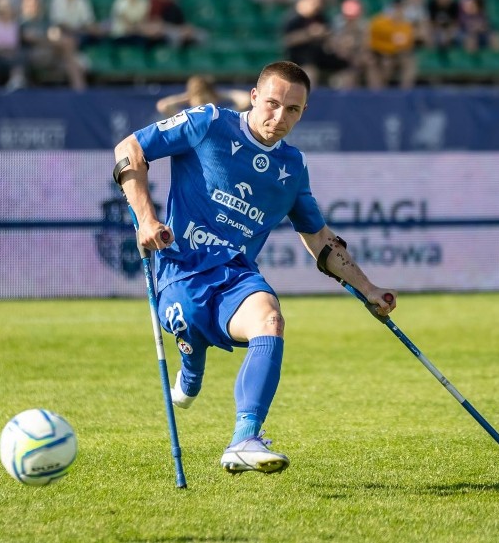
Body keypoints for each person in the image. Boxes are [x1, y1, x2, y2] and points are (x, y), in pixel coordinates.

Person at [112, 61, 397, 474]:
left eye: (293, 110)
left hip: (235, 276)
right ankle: (190, 372)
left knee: (270, 318)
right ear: (253, 97)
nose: (280, 118)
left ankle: (244, 438)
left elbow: (319, 238)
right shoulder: (208, 122)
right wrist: (146, 219)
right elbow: (129, 149)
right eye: (273, 104)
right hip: (180, 269)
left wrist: (368, 289)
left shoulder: (293, 167)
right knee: (190, 337)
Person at [155, 74, 251, 116]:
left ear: (215, 98)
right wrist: (189, 96)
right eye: (200, 101)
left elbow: (246, 100)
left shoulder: (223, 117)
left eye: (206, 101)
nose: (203, 106)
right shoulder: (186, 119)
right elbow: (163, 105)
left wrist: (219, 94)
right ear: (190, 100)